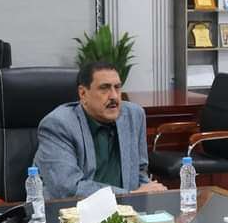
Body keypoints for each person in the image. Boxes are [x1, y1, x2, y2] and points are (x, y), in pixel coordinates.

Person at [34, 61, 167, 199]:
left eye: (117, 87)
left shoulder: (134, 115)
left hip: (127, 207)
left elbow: (139, 171)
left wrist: (149, 193)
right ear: (83, 93)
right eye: (104, 88)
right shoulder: (59, 125)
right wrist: (129, 195)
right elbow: (68, 188)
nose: (114, 96)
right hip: (74, 208)